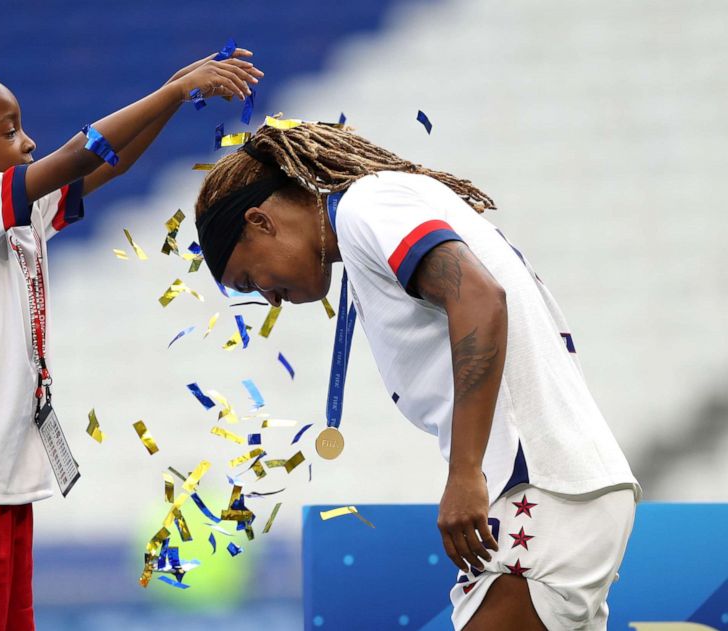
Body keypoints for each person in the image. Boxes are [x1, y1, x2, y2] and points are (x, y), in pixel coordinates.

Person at [193, 122, 640, 630]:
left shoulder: (366, 207)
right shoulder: (383, 208)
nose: (268, 298)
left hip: (536, 493)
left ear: (261, 222)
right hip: (565, 489)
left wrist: (466, 472)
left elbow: (478, 297)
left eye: (250, 279)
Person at [0, 50, 263, 631]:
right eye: (9, 131)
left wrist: (175, 92)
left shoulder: (12, 218)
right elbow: (73, 157)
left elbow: (103, 166)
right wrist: (171, 92)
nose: (28, 140)